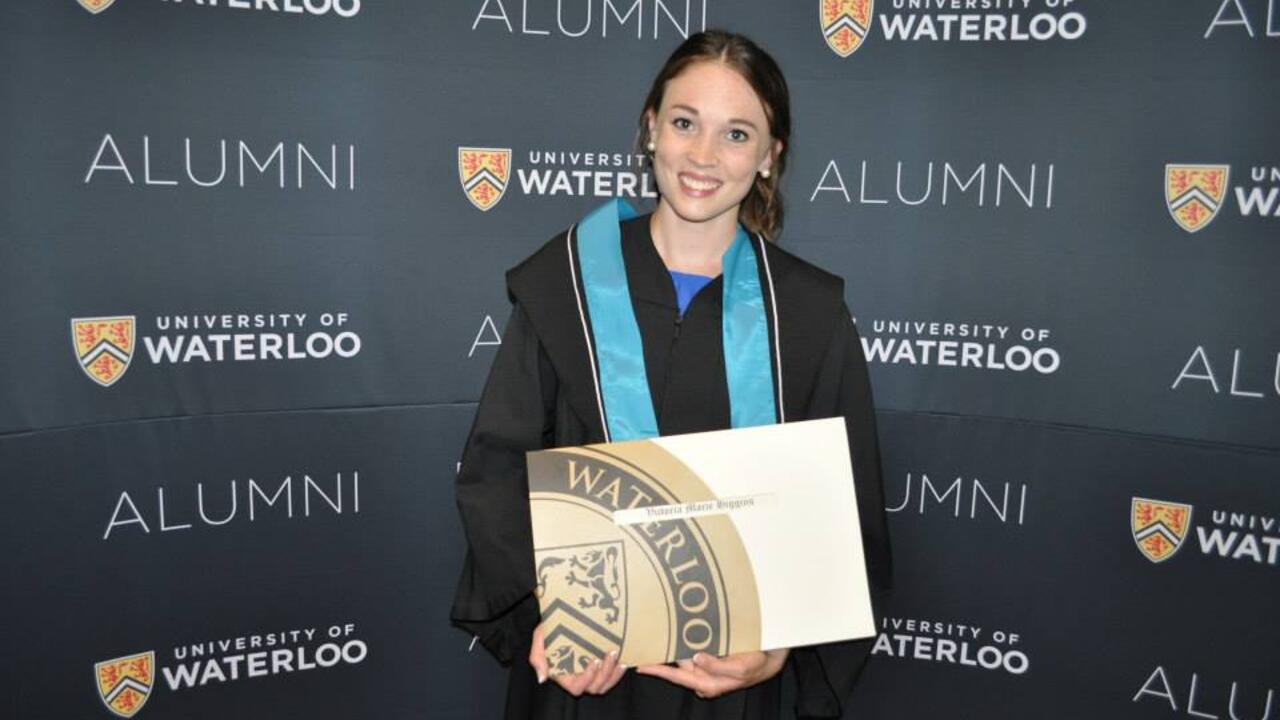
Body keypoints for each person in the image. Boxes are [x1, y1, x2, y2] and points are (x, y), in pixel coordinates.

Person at [451, 30, 891, 719]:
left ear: (770, 157)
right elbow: (497, 471)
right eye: (686, 123)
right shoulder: (565, 286)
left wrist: (780, 646)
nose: (704, 155)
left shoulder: (809, 314)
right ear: (650, 128)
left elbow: (844, 508)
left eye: (737, 134)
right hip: (586, 670)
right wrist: (549, 615)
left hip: (732, 678)